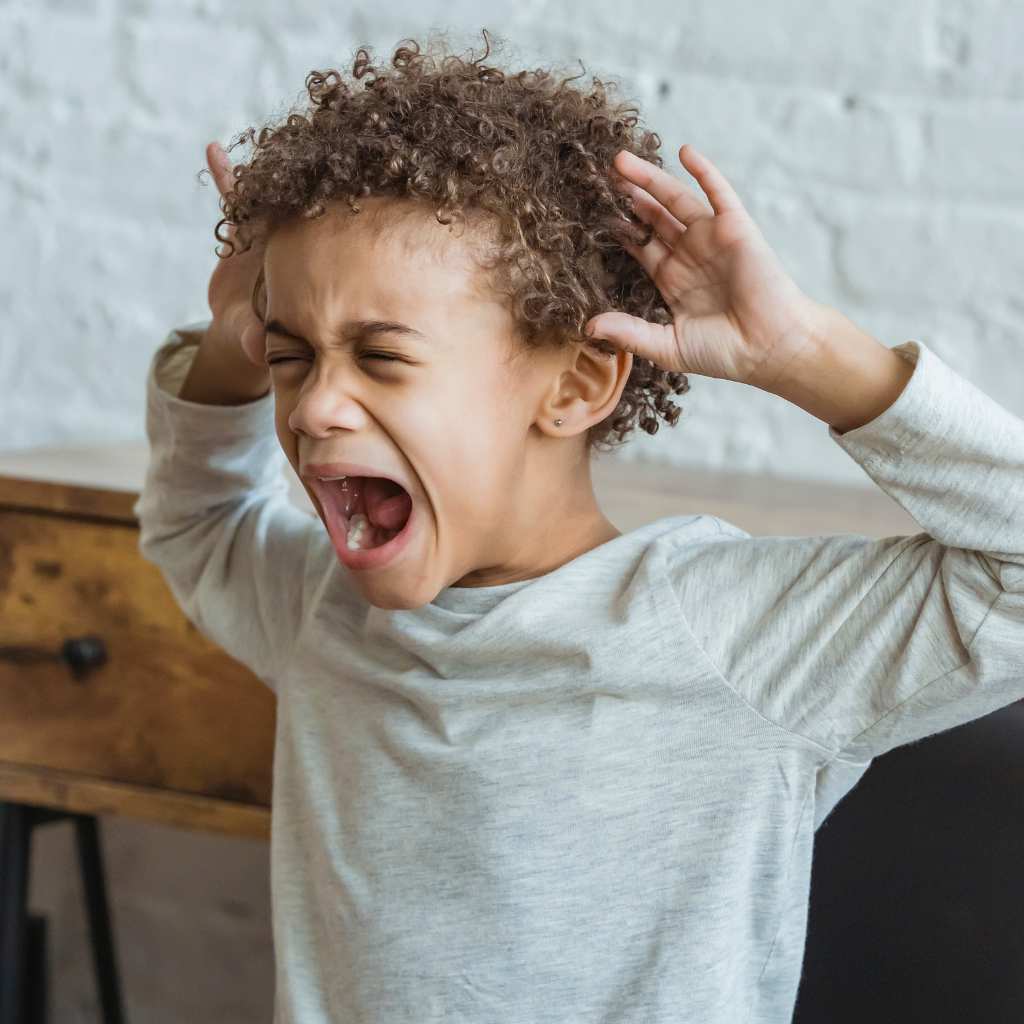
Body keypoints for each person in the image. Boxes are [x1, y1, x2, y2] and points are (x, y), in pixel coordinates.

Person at [132, 30, 1024, 1024]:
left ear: (576, 382)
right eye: (291, 355)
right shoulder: (320, 613)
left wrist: (801, 351)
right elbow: (195, 521)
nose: (311, 407)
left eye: (381, 357)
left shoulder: (727, 633)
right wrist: (230, 342)